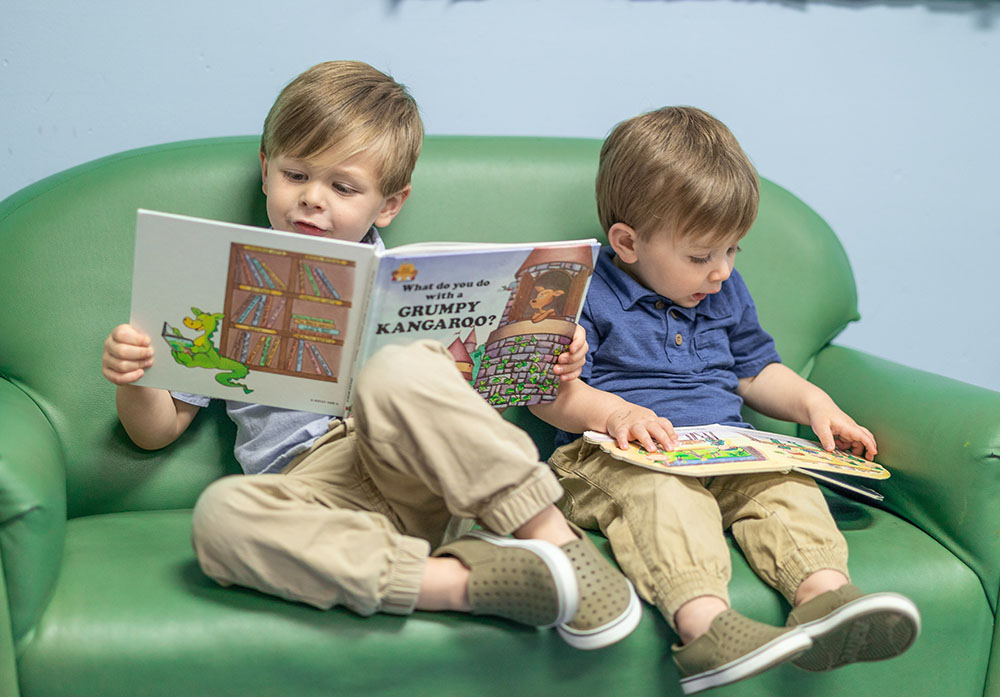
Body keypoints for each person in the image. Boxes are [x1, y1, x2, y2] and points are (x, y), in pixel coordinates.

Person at [101, 60, 641, 649]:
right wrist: (136, 376)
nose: (311, 199)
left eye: (343, 186)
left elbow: (515, 398)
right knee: (218, 518)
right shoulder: (221, 284)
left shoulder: (417, 281)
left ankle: (554, 539)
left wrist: (554, 356)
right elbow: (153, 432)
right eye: (295, 174)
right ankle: (470, 584)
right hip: (316, 497)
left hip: (424, 473)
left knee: (399, 368)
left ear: (388, 204)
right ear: (265, 170)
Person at [528, 106, 920, 692]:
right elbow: (545, 398)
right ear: (628, 242)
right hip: (610, 453)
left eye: (733, 251)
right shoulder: (579, 286)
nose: (720, 272)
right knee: (665, 499)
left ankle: (823, 598)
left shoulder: (722, 287)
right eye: (701, 256)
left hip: (723, 449)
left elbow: (756, 370)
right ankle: (707, 629)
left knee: (786, 486)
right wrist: (615, 414)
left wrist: (815, 405)